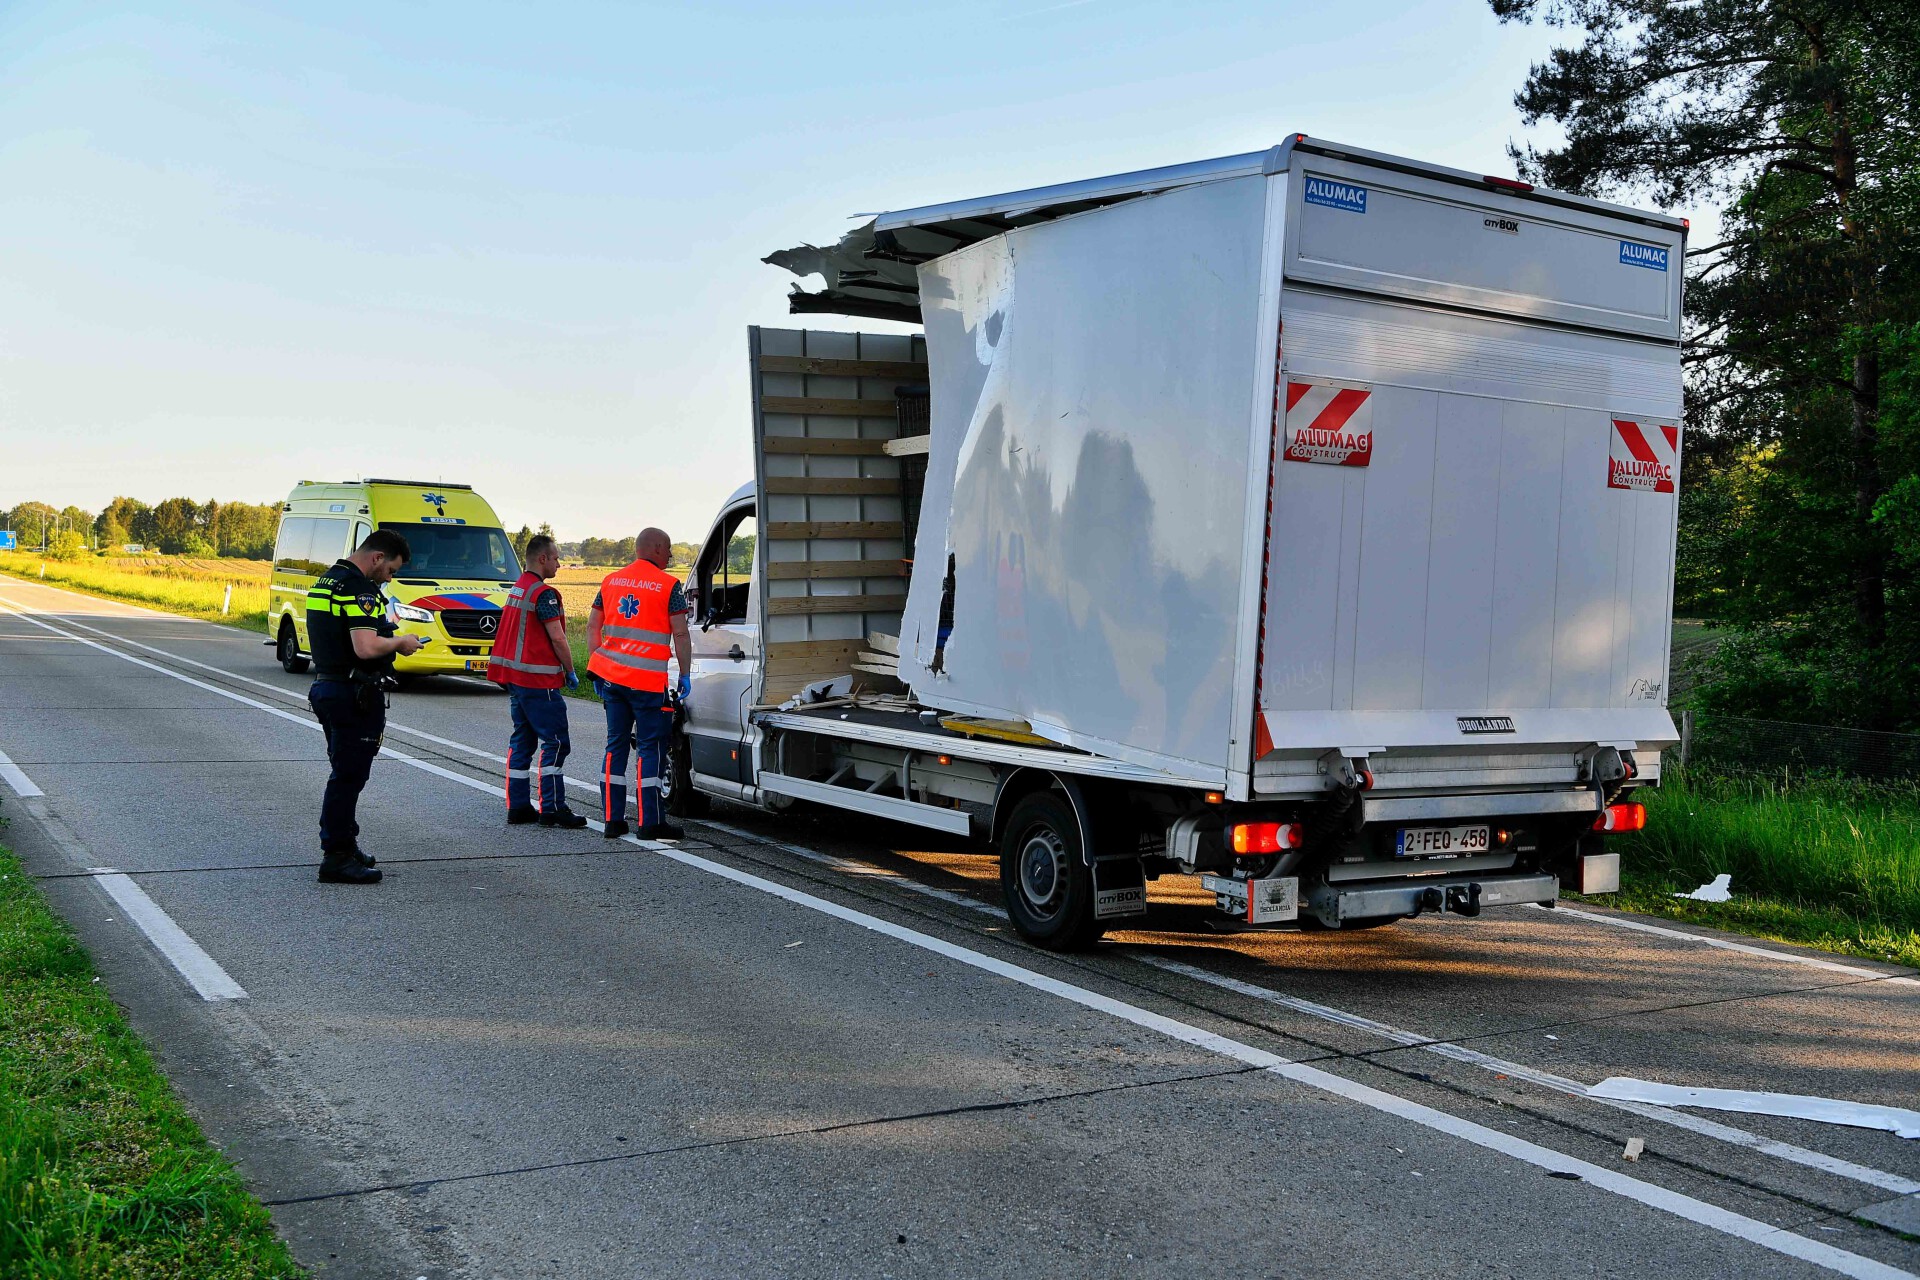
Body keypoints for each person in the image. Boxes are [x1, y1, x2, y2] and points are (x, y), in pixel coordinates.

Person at [306, 529, 423, 884]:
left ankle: (345, 843)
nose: (390, 577)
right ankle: (337, 856)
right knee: (349, 776)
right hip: (352, 693)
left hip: (328, 685)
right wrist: (400, 641)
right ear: (377, 558)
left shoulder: (327, 580)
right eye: (391, 570)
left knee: (345, 772)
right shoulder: (359, 589)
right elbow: (365, 647)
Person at [586, 527, 692, 840]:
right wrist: (684, 674)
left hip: (613, 682)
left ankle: (612, 821)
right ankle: (650, 823)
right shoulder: (668, 585)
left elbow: (594, 625)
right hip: (647, 684)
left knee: (615, 746)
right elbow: (681, 634)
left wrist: (598, 665)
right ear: (657, 548)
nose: (671, 555)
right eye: (669, 548)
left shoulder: (611, 581)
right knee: (650, 749)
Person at [487, 533, 586, 828]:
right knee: (555, 743)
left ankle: (518, 806)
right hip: (538, 681)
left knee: (523, 741)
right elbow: (557, 637)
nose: (559, 563)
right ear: (542, 559)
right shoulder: (543, 594)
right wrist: (569, 670)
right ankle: (553, 807)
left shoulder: (518, 588)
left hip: (516, 680)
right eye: (556, 557)